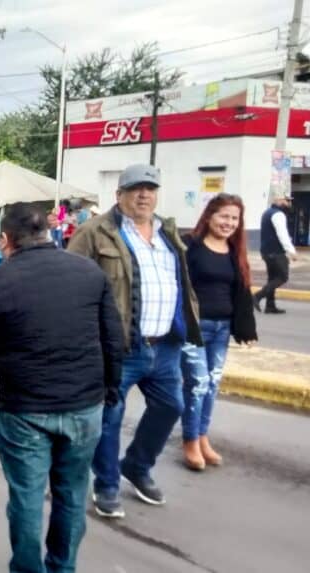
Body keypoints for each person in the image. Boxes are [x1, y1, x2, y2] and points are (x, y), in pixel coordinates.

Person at [0, 204, 124, 573]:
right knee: (71, 494)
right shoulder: (89, 272)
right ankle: (62, 567)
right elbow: (113, 339)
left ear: (5, 239)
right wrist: (110, 390)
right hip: (85, 406)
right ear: (48, 233)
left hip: (24, 411)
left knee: (27, 498)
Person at [68, 164, 201, 518]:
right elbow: (70, 285)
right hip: (119, 348)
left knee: (171, 407)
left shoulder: (167, 232)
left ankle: (137, 467)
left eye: (150, 188)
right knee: (110, 418)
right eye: (135, 189)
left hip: (166, 345)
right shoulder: (94, 232)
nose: (144, 195)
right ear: (119, 195)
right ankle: (107, 484)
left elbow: (182, 283)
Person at [179, 195, 257, 471]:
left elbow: (242, 291)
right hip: (194, 329)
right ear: (209, 216)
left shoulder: (235, 250)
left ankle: (202, 437)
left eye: (234, 218)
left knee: (212, 385)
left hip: (222, 328)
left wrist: (246, 328)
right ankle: (189, 441)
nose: (229, 223)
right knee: (198, 384)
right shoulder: (190, 246)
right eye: (224, 216)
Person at [254, 189, 300, 314]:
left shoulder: (267, 212)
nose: (289, 203)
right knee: (282, 277)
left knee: (272, 279)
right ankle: (257, 296)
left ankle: (270, 306)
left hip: (266, 252)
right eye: (287, 201)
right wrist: (291, 251)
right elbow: (282, 234)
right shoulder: (278, 214)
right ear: (278, 201)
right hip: (276, 252)